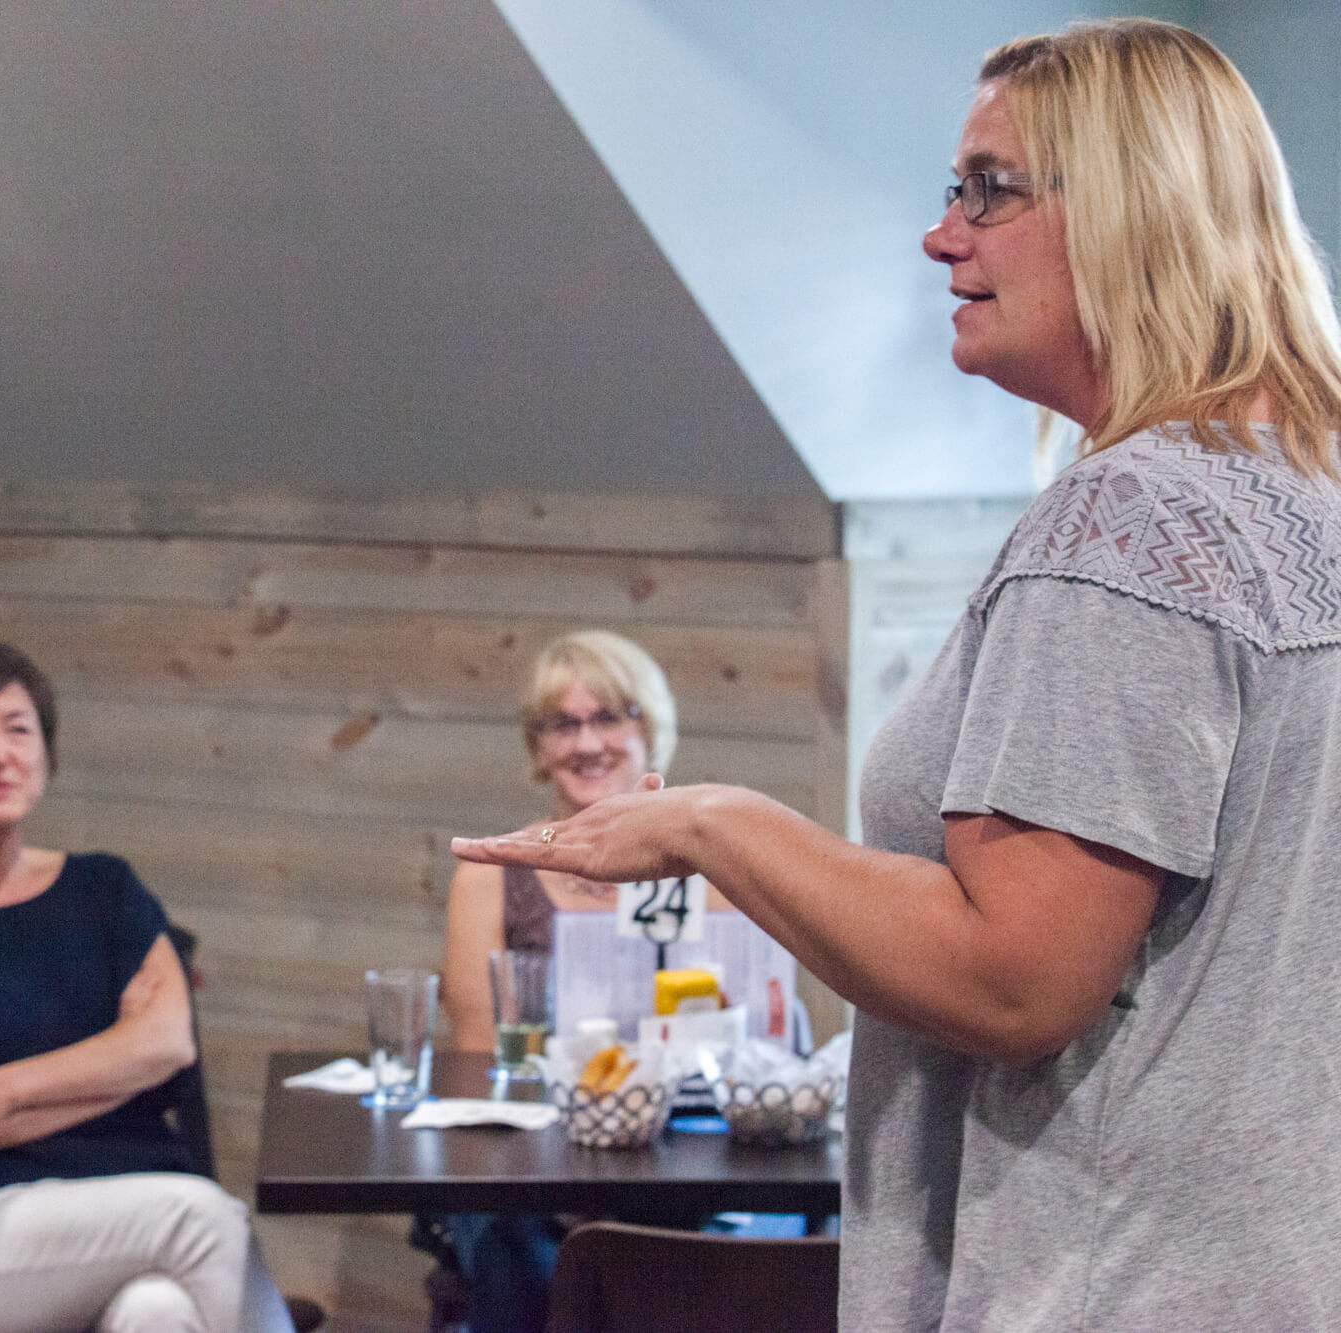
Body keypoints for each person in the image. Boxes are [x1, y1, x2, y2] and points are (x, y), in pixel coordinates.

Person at [454, 19, 1341, 1329]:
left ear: (1135, 205)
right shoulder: (1305, 493)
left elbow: (1013, 976)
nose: (941, 236)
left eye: (990, 189)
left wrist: (715, 822)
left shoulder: (1132, 523)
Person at [0, 638, 291, 1333]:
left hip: (131, 1199)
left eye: (18, 729)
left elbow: (167, 1044)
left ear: (46, 755)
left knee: (157, 1311)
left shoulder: (104, 889)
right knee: (204, 1218)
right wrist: (115, 1070)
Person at [433, 630, 728, 1333]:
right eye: (563, 724)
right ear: (538, 746)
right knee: (527, 1252)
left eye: (609, 717)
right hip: (529, 1171)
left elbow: (741, 1036)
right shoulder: (491, 874)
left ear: (650, 731)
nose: (587, 742)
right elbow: (480, 1058)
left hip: (680, 1163)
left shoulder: (711, 868)